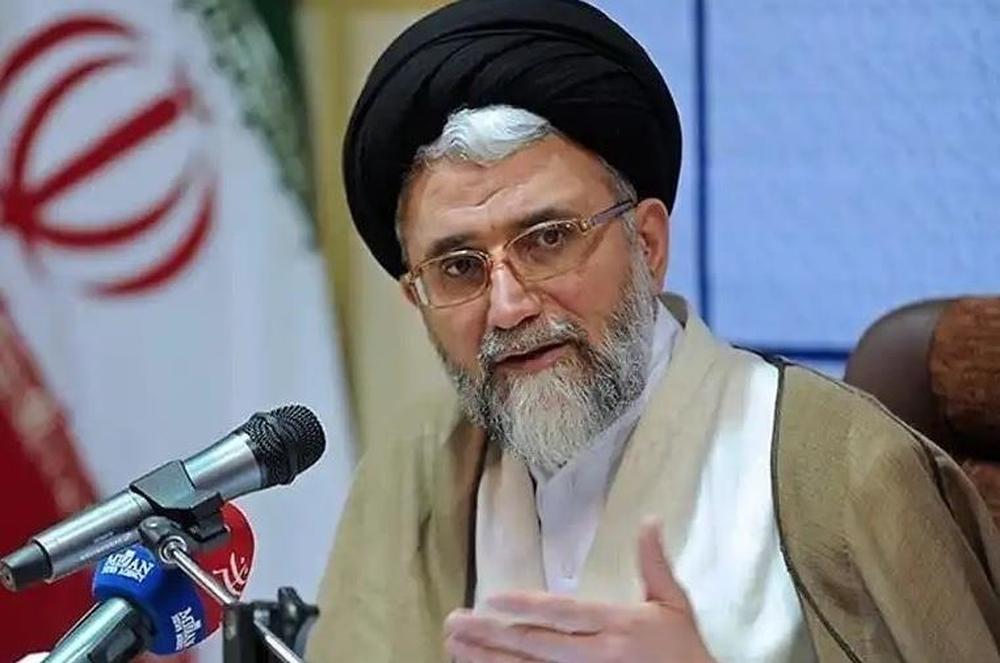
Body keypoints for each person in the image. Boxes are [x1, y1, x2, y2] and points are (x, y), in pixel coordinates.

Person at [308, 1, 1000, 661]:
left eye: (549, 238)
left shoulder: (847, 470)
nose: (509, 306)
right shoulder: (412, 473)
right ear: (417, 297)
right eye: (459, 267)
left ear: (648, 243)